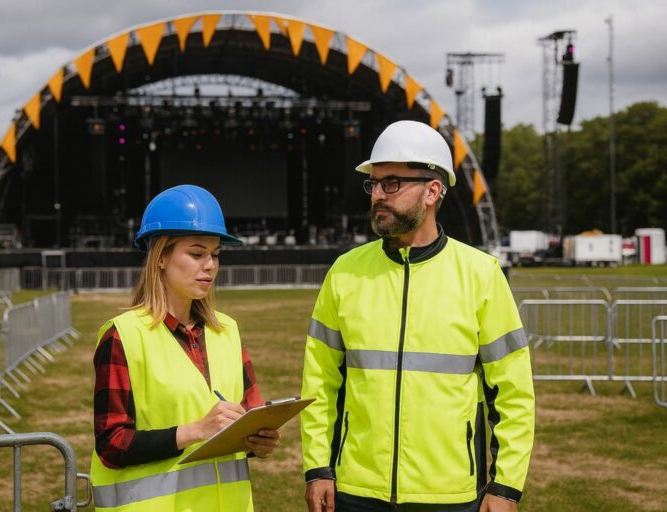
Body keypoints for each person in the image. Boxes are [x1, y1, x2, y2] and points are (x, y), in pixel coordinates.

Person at [300, 121, 535, 512]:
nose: (378, 195)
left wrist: (506, 487)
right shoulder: (344, 272)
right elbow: (319, 384)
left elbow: (513, 393)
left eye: (392, 183)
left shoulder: (481, 275)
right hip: (356, 490)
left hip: (450, 494)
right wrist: (318, 468)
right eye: (373, 183)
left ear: (433, 190)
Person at [90, 184, 281, 511]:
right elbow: (112, 443)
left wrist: (259, 441)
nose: (209, 265)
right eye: (196, 253)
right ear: (161, 257)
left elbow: (251, 415)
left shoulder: (228, 332)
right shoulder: (123, 336)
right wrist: (194, 431)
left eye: (215, 254)